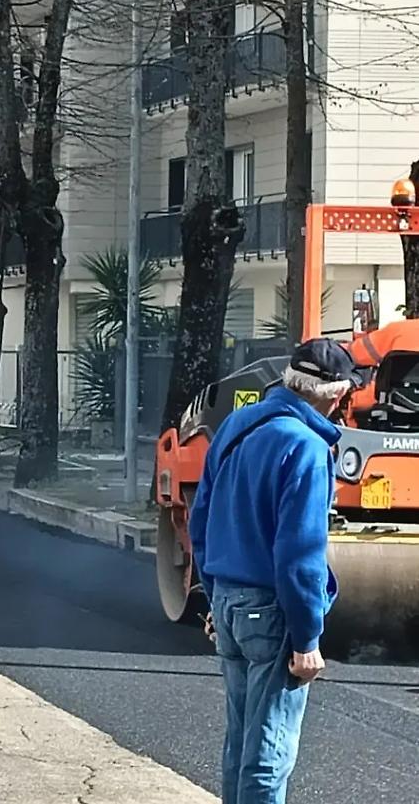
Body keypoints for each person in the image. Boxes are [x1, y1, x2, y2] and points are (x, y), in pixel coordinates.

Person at [188, 338, 361, 804]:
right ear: (335, 394)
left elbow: (200, 518)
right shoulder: (305, 447)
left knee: (241, 741)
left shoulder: (237, 425)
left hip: (227, 600)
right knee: (269, 752)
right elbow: (300, 555)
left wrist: (212, 594)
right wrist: (307, 639)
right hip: (271, 611)